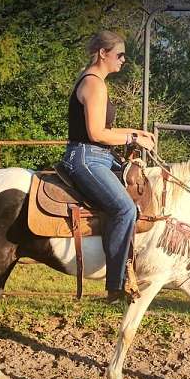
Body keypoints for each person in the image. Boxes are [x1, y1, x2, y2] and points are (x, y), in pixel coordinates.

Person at [61, 30, 156, 302]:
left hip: (99, 155)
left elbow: (106, 129)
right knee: (124, 208)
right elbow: (96, 133)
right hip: (86, 158)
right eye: (120, 54)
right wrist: (133, 137)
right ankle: (118, 282)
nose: (123, 60)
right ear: (103, 53)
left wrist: (138, 133)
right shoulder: (94, 84)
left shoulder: (97, 82)